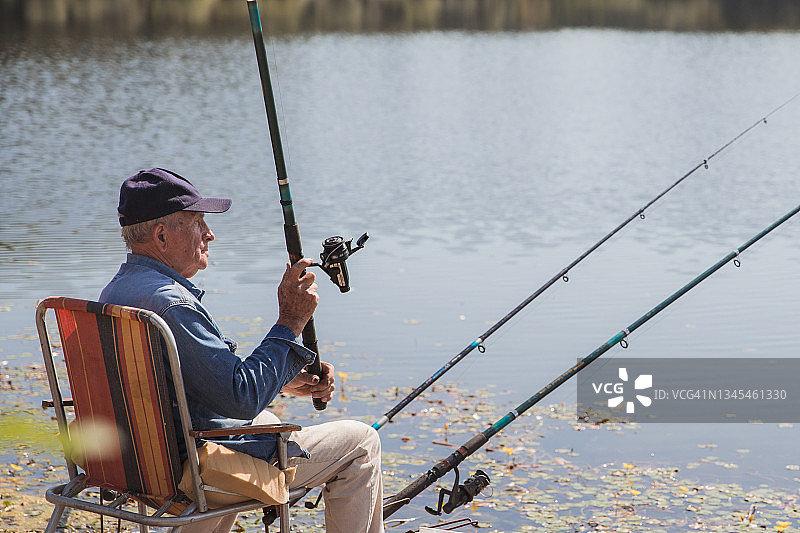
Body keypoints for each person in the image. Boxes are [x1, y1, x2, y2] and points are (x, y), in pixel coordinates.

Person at [99, 168, 384, 533]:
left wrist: (281, 380)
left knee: (263, 421)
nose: (209, 233)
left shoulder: (117, 293)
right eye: (197, 222)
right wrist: (290, 321)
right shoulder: (172, 305)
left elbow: (182, 386)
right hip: (191, 470)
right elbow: (240, 398)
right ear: (161, 235)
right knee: (362, 442)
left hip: (138, 461)